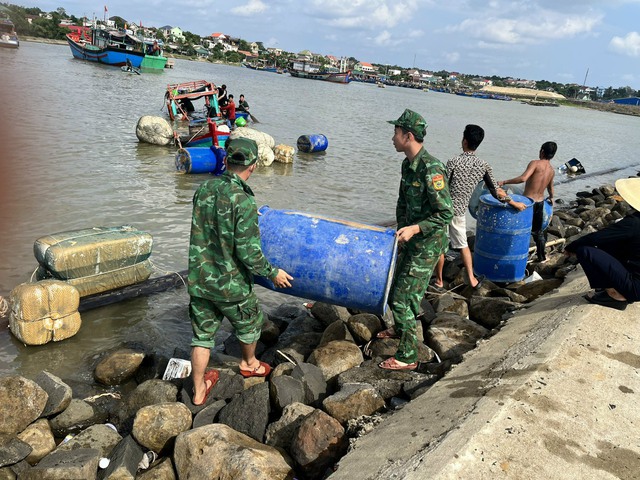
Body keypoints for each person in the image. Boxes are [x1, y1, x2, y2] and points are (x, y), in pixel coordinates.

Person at [187, 138, 293, 405]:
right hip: (231, 285)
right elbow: (248, 253)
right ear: (253, 166)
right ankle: (249, 363)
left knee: (202, 336)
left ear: (226, 161)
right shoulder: (243, 200)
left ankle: (198, 389)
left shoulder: (204, 189)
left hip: (200, 279)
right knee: (249, 324)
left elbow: (208, 224)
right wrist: (273, 273)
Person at [377, 109, 454, 371]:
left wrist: (416, 229)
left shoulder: (431, 169)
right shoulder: (407, 165)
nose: (392, 138)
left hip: (427, 245)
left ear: (408, 136)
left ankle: (408, 356)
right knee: (393, 288)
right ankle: (400, 329)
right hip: (410, 240)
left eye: (395, 133)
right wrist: (402, 230)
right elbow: (402, 202)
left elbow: (445, 213)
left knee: (402, 299)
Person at [432, 125, 527, 289]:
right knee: (463, 246)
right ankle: (472, 279)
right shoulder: (483, 165)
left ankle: (439, 280)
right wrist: (514, 203)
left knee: (440, 245)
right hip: (460, 211)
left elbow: (443, 187)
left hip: (445, 208)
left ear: (464, 140)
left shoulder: (453, 161)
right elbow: (496, 191)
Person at [563, 177, 640, 311]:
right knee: (611, 244)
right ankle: (616, 288)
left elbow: (597, 238)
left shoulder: (634, 223)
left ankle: (615, 295)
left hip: (635, 288)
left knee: (584, 250)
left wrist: (571, 247)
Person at [499, 141, 557, 262]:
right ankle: (541, 257)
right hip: (540, 203)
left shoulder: (535, 163)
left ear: (542, 151)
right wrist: (551, 198)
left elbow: (523, 178)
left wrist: (504, 182)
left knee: (519, 229)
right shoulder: (551, 170)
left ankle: (511, 254)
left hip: (527, 203)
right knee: (538, 232)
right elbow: (550, 188)